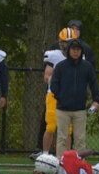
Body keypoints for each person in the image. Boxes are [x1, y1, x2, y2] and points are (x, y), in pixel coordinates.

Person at [30, 28, 78, 160]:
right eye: (65, 42)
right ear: (60, 42)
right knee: (51, 126)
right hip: (54, 94)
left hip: (70, 96)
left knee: (68, 130)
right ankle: (45, 154)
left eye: (70, 42)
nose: (67, 45)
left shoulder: (79, 57)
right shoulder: (53, 55)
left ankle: (66, 156)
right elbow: (47, 77)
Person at [49, 39, 99, 157]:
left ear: (81, 51)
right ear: (69, 50)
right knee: (61, 138)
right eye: (73, 49)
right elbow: (54, 85)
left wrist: (97, 100)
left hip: (80, 109)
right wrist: (60, 97)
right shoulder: (61, 66)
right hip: (63, 109)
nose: (75, 52)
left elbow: (94, 83)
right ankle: (61, 163)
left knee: (80, 139)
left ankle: (79, 164)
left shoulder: (87, 66)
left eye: (78, 49)